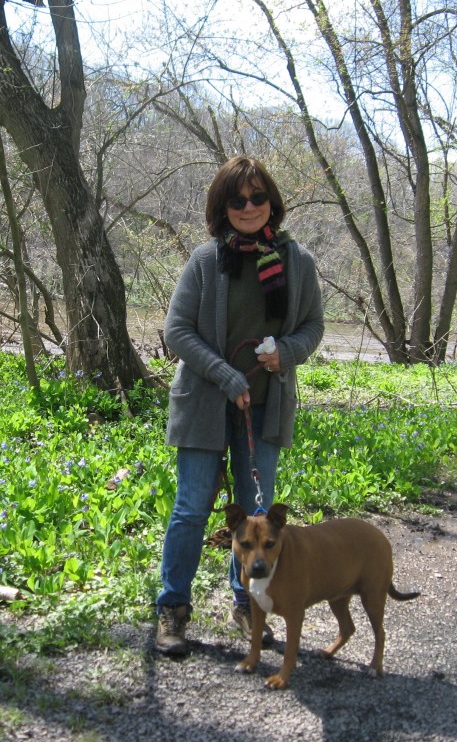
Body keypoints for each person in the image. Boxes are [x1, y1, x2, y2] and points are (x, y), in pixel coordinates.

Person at [155, 156, 325, 655]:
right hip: (204, 403)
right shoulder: (207, 260)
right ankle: (173, 609)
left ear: (271, 201)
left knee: (256, 517)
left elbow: (312, 327)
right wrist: (227, 376)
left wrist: (285, 353)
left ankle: (247, 607)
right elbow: (176, 331)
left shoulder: (298, 262)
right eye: (237, 200)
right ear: (221, 207)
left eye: (257, 197)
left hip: (266, 405)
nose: (248, 207)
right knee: (191, 509)